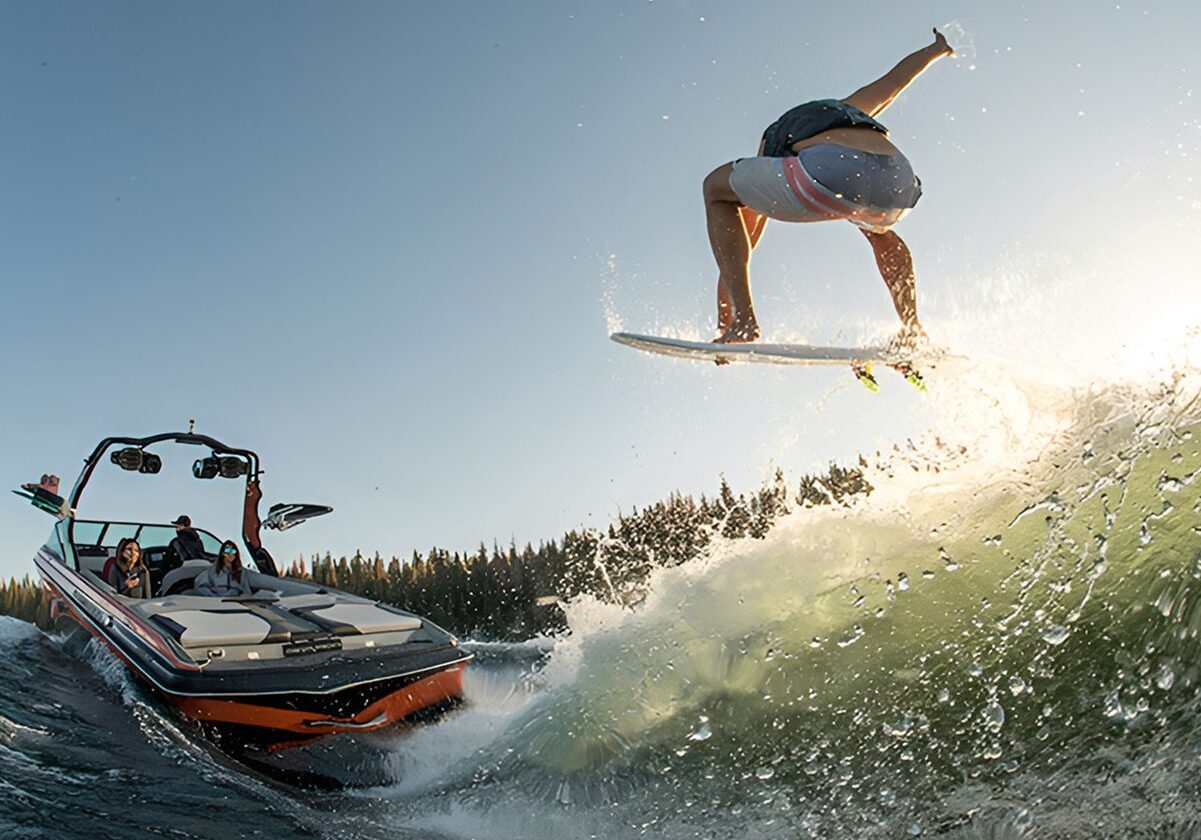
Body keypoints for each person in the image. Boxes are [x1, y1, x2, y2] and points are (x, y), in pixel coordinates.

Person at [703, 28, 954, 345]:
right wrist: (936, 49)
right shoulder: (849, 108)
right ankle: (912, 328)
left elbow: (745, 241)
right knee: (878, 230)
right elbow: (894, 82)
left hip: (832, 171)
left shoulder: (772, 143)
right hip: (899, 182)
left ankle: (744, 322)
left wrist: (726, 319)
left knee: (715, 188)